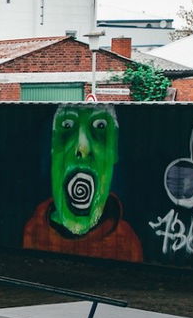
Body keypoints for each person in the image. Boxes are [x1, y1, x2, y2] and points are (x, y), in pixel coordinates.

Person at [22, 102, 143, 262]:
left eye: (100, 126)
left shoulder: (127, 245)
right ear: (53, 149)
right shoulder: (33, 233)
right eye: (66, 126)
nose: (82, 147)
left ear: (114, 151)